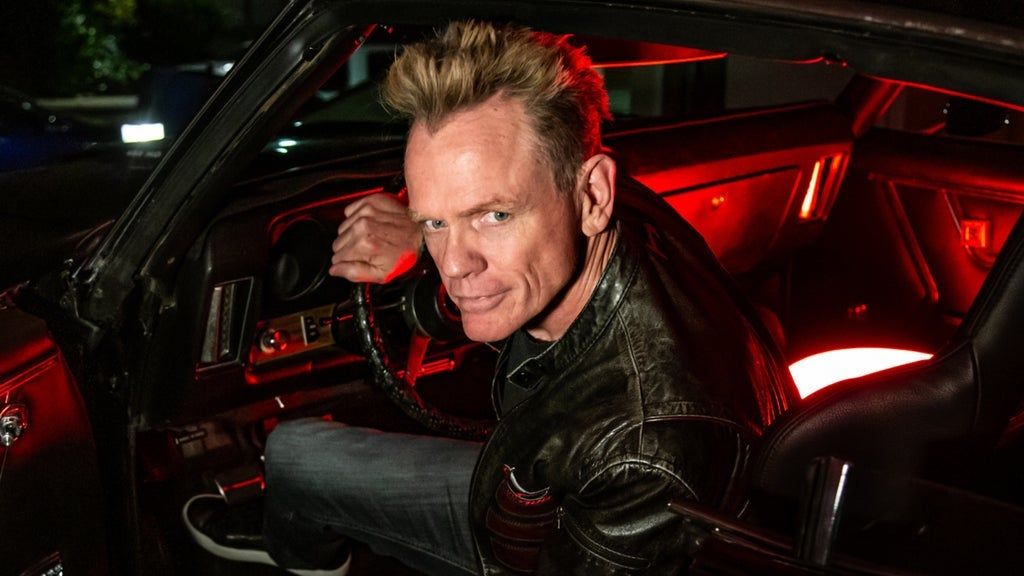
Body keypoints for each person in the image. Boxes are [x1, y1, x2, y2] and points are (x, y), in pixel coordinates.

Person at [185, 20, 795, 575]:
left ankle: (304, 557)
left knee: (292, 454)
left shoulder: (643, 454)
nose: (454, 266)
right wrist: (424, 232)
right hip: (541, 482)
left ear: (592, 196)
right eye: (435, 221)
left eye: (494, 215)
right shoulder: (609, 210)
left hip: (540, 541)